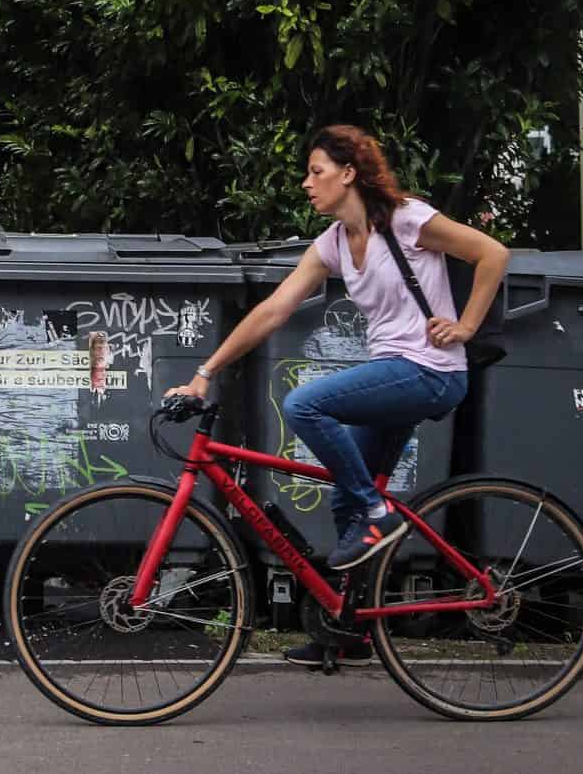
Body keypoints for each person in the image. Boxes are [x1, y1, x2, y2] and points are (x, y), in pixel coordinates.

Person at [165, 125, 508, 667]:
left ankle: (377, 513)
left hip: (430, 370)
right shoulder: (330, 246)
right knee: (346, 500)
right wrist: (206, 370)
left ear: (349, 174)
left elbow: (492, 253)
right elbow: (274, 310)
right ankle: (349, 631)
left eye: (316, 171)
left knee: (306, 404)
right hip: (394, 374)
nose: (307, 183)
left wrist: (465, 327)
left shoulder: (408, 220)